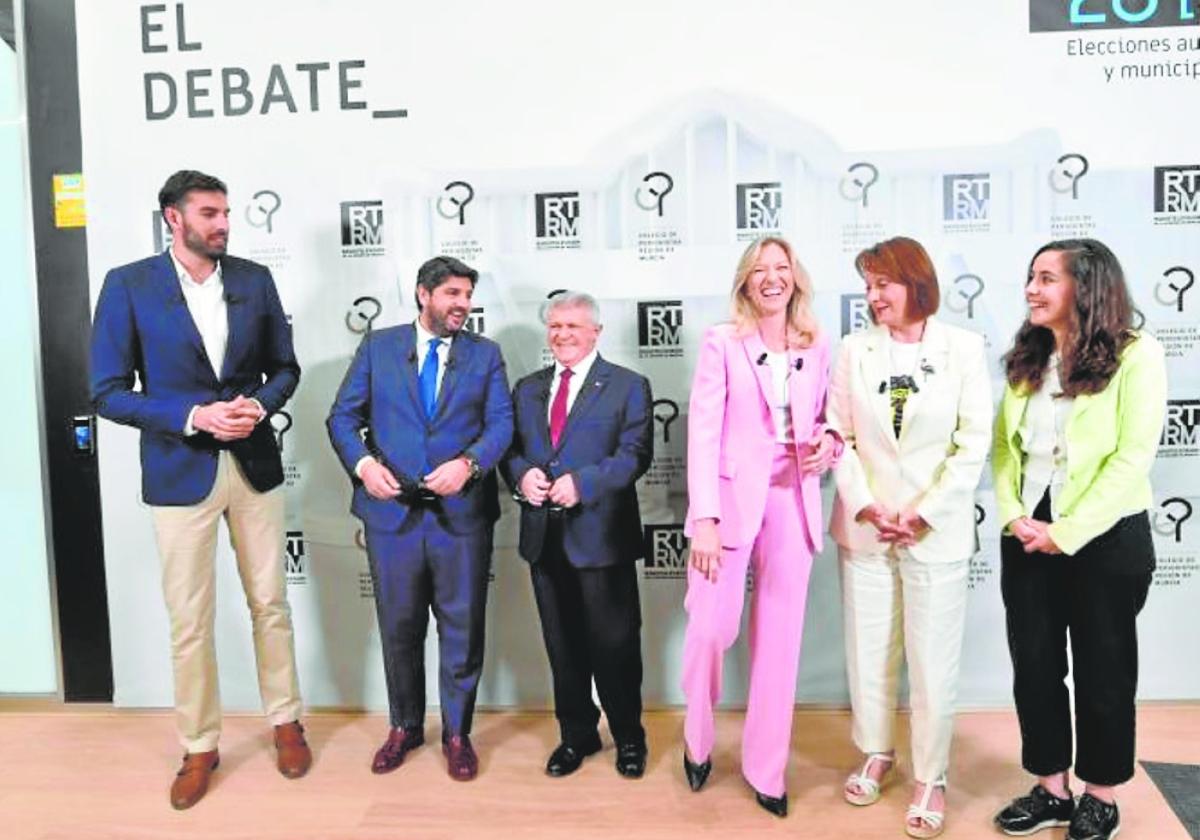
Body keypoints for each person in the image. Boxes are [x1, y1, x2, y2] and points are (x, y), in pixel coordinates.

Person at [90, 169, 309, 810]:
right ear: (173, 218)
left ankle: (286, 720)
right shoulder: (128, 286)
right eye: (209, 213)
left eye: (226, 213)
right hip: (178, 470)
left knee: (271, 603)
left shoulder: (253, 279)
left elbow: (285, 367)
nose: (223, 224)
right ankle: (199, 744)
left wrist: (259, 406)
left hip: (253, 466)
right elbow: (107, 391)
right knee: (190, 620)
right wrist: (192, 417)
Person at [992, 239, 1166, 840]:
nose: (1031, 289)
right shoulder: (1029, 353)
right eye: (1030, 277)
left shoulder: (1137, 355)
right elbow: (1002, 449)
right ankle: (1051, 789)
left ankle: (1101, 794)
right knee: (1035, 665)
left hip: (1107, 533)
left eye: (1046, 278)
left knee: (1104, 667)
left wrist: (1068, 533)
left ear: (1086, 288)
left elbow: (1131, 458)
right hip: (1029, 529)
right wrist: (1014, 514)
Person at [826, 237, 992, 839]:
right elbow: (836, 435)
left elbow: (973, 443)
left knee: (931, 661)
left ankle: (930, 776)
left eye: (883, 285)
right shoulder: (853, 350)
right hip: (867, 527)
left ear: (915, 283)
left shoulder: (965, 350)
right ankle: (875, 750)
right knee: (868, 651)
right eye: (868, 286)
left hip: (935, 531)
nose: (873, 298)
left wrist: (925, 512)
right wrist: (868, 505)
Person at [326, 255, 512, 782]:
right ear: (423, 294)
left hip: (462, 519)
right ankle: (404, 727)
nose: (463, 305)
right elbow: (342, 417)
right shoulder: (378, 347)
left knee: (462, 628)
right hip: (393, 518)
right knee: (399, 628)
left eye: (468, 295)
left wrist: (469, 464)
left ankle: (457, 733)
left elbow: (500, 423)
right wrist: (364, 467)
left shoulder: (486, 354)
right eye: (452, 293)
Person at [680, 236, 839, 817]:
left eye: (782, 268)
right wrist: (704, 518)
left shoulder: (817, 344)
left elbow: (828, 420)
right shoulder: (723, 341)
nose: (772, 278)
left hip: (791, 500)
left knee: (780, 645)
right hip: (727, 502)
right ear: (745, 282)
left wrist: (831, 443)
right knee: (710, 630)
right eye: (759, 270)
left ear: (796, 277)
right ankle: (697, 741)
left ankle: (767, 770)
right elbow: (701, 431)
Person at [502, 292, 654, 779]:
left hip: (603, 538)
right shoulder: (527, 388)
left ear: (595, 332)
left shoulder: (628, 386)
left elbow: (636, 454)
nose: (562, 334)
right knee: (562, 647)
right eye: (555, 326)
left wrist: (583, 484)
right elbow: (509, 451)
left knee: (615, 645)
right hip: (543, 539)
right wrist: (521, 474)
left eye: (572, 326)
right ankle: (577, 736)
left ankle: (629, 738)